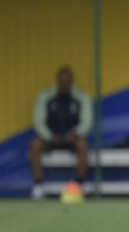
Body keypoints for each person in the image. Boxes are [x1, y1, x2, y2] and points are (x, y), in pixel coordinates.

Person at [29, 66, 93, 199]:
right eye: (62, 81)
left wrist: (75, 133)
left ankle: (78, 184)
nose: (65, 84)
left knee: (83, 145)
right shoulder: (46, 96)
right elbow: (38, 122)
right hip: (51, 138)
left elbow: (86, 122)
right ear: (58, 81)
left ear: (72, 81)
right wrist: (49, 136)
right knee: (35, 145)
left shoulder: (81, 97)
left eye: (67, 81)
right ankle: (38, 185)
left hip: (72, 138)